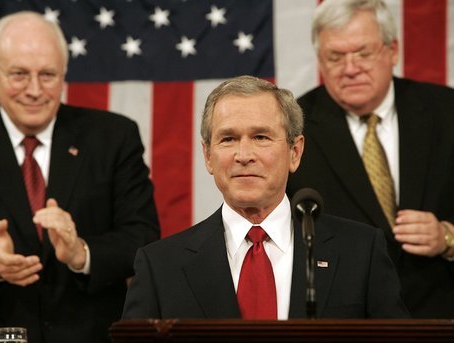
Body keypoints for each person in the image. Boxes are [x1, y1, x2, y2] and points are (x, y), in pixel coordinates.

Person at [0, 11, 159, 343]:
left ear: (64, 75)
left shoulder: (113, 137)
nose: (34, 89)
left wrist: (81, 252)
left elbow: (144, 239)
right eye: (19, 74)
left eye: (47, 74)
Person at [122, 75, 408, 320]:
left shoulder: (361, 251)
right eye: (228, 139)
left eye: (261, 137)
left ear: (294, 152)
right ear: (208, 156)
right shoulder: (160, 267)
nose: (244, 156)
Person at [286, 0, 454, 318]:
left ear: (393, 50)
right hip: (343, 321)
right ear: (320, 60)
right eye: (335, 57)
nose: (350, 69)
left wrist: (447, 237)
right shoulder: (294, 127)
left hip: (441, 314)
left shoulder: (446, 112)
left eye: (363, 53)